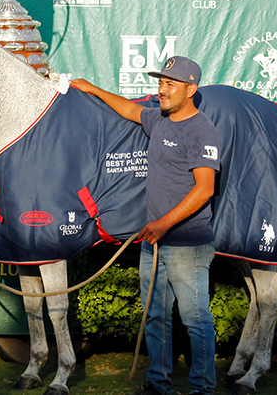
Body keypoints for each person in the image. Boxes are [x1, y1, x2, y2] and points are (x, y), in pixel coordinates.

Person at [71, 56, 222, 395]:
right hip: (154, 242)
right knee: (155, 317)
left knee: (196, 321)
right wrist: (91, 89)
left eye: (170, 84)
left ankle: (202, 389)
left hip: (187, 244)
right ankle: (159, 384)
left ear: (191, 89)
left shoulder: (202, 131)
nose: (162, 90)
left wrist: (162, 224)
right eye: (160, 83)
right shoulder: (160, 119)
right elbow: (129, 110)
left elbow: (205, 189)